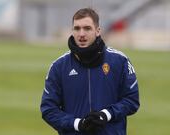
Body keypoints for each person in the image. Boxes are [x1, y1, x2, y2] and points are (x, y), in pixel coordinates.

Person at [40, 7, 140, 135]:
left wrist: (106, 114)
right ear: (72, 31)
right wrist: (77, 124)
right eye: (77, 28)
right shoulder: (59, 66)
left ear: (97, 31)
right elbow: (48, 109)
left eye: (87, 28)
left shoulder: (120, 61)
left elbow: (131, 100)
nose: (81, 34)